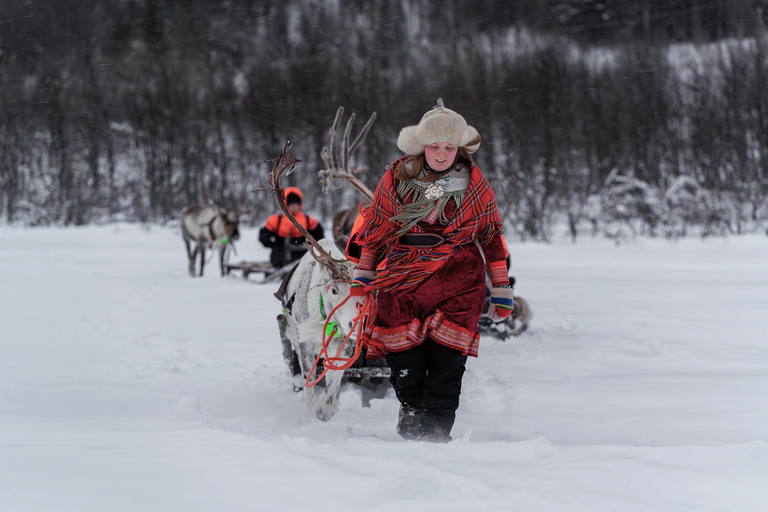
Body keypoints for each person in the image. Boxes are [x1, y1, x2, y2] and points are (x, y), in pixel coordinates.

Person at [349, 106, 513, 442]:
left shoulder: (476, 185)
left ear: (459, 149)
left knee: (447, 368)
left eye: (449, 147)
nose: (441, 154)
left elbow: (491, 238)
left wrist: (501, 289)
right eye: (434, 146)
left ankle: (438, 435)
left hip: (459, 281)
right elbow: (378, 229)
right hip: (402, 282)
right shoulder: (395, 178)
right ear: (422, 145)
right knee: (405, 366)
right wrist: (363, 276)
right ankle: (411, 414)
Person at [259, 186, 324, 269]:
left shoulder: (307, 220)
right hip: (280, 256)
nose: (294, 207)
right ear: (286, 204)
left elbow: (320, 234)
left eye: (296, 204)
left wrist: (311, 246)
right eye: (292, 205)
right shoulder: (276, 219)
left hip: (302, 255)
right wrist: (275, 246)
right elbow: (263, 236)